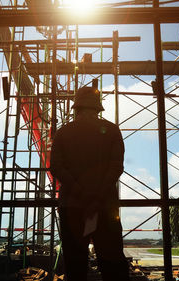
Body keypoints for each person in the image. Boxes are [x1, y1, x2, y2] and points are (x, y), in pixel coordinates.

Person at [50, 86, 130, 281]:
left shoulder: (63, 133)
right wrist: (97, 195)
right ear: (98, 108)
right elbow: (116, 168)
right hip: (105, 207)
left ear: (76, 108)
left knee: (75, 264)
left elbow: (56, 168)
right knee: (112, 265)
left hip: (73, 207)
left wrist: (81, 193)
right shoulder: (112, 130)